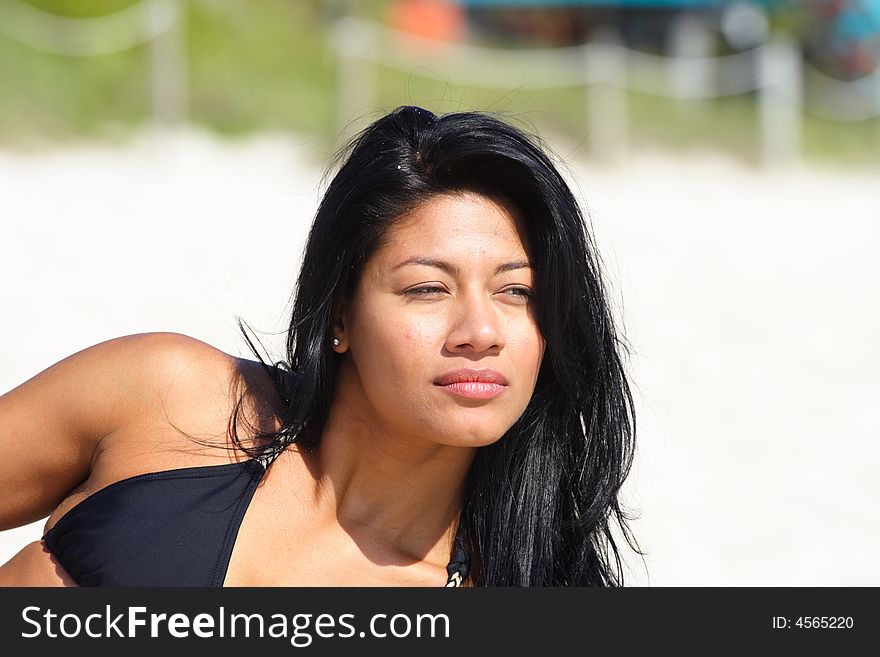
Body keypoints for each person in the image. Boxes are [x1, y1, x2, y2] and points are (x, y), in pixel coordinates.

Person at [0, 106, 639, 587]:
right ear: (340, 312)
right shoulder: (168, 403)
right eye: (426, 288)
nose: (481, 331)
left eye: (517, 293)